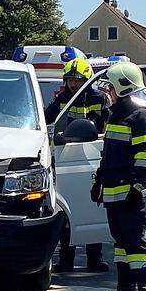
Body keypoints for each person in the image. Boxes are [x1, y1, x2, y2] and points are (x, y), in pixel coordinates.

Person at [94, 61, 146, 291]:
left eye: (109, 88)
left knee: (135, 246)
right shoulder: (116, 115)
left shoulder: (140, 116)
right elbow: (109, 154)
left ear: (122, 88)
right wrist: (99, 180)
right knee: (120, 244)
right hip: (113, 192)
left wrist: (137, 185)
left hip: (129, 194)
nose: (106, 92)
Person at [45, 57, 111, 273]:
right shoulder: (62, 98)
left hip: (92, 156)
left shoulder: (97, 98)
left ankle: (95, 259)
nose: (73, 84)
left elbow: (100, 125)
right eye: (70, 80)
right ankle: (66, 260)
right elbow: (49, 119)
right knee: (67, 211)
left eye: (77, 80)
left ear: (87, 79)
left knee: (92, 207)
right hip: (66, 156)